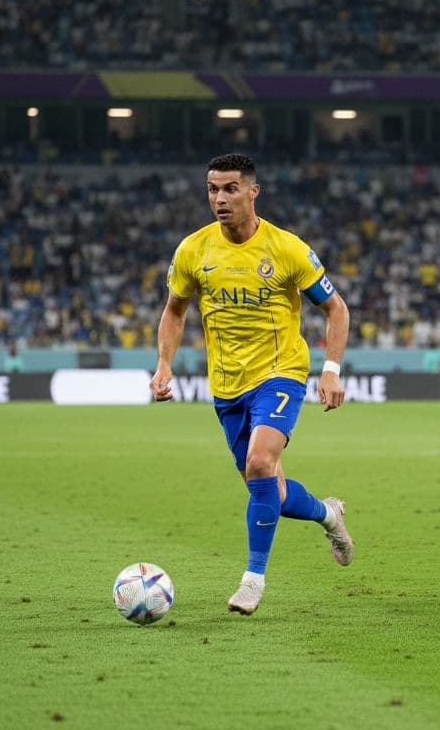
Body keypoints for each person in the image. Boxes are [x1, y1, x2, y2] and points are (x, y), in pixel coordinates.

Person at [150, 153, 353, 616]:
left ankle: (252, 579)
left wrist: (330, 369)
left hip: (279, 374)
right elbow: (175, 311)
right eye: (212, 189)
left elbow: (336, 309)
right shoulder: (193, 250)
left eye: (230, 189)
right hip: (226, 387)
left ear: (252, 192)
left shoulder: (287, 249)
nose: (219, 199)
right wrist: (164, 365)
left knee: (261, 462)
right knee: (269, 492)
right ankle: (328, 513)